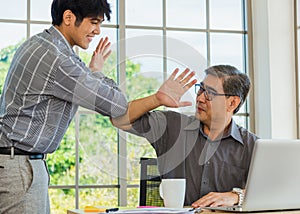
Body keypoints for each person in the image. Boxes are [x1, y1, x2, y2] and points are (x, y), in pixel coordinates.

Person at [0, 0, 127, 213]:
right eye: (93, 22)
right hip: (20, 167)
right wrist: (96, 72)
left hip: (16, 162)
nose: (97, 30)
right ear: (68, 18)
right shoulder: (57, 58)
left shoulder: (40, 44)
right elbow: (116, 105)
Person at [112, 64, 259, 208]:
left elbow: (277, 190)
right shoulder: (171, 126)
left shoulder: (254, 146)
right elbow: (119, 119)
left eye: (210, 93)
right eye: (201, 89)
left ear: (232, 103)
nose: (200, 98)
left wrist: (236, 196)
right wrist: (157, 99)